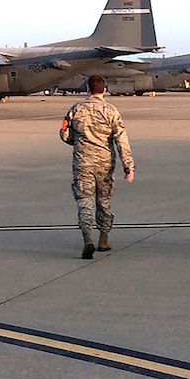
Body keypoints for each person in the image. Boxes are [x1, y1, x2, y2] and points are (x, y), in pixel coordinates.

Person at [60, 74, 135, 259]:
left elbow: (64, 134)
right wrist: (129, 166)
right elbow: (121, 140)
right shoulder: (111, 111)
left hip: (83, 163)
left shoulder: (76, 109)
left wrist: (79, 142)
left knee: (84, 201)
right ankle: (104, 238)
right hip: (105, 164)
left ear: (87, 90)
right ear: (104, 90)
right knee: (104, 201)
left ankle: (88, 240)